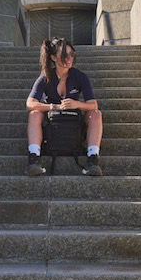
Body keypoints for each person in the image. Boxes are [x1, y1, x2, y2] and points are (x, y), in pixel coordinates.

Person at [26, 37, 103, 176]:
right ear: (54, 57)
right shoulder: (46, 76)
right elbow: (29, 103)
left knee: (96, 114)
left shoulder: (80, 76)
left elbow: (93, 104)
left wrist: (76, 104)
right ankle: (34, 158)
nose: (69, 58)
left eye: (71, 54)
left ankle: (93, 158)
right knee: (34, 114)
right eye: (64, 55)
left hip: (74, 118)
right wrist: (53, 107)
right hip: (53, 118)